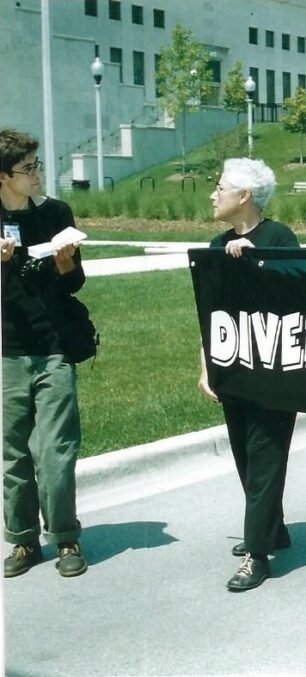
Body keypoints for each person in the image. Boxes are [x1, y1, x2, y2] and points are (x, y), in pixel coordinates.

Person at [198, 158, 300, 592]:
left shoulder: (278, 238)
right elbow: (211, 311)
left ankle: (258, 554)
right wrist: (206, 365)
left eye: (220, 188)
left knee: (264, 456)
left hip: (275, 369)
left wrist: (259, 264)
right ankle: (273, 528)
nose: (212, 194)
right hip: (234, 366)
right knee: (244, 454)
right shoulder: (217, 243)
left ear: (244, 197)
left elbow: (300, 295)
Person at [1, 128, 89, 578]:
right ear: (3, 176)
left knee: (56, 450)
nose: (37, 174)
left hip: (54, 349)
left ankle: (65, 536)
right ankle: (21, 542)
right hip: (7, 355)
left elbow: (74, 284)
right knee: (13, 453)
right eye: (28, 168)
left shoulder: (55, 213)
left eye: (37, 165)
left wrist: (64, 263)